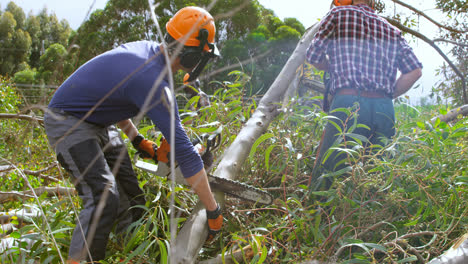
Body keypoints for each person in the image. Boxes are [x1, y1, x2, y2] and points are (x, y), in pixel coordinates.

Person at [44, 6, 223, 263]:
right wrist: (212, 210)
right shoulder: (150, 78)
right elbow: (184, 152)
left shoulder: (151, 56)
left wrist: (139, 141)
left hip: (100, 121)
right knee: (103, 196)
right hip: (68, 120)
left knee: (130, 193)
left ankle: (128, 251)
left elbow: (114, 98)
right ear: (192, 57)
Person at [306, 0, 423, 190]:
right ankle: (368, 216)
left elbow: (313, 55)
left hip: (349, 103)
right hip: (384, 109)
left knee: (329, 174)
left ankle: (317, 214)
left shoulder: (338, 14)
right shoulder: (392, 30)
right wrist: (386, 95)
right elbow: (415, 71)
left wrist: (333, 67)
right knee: (375, 177)